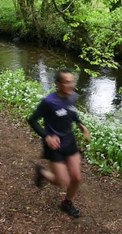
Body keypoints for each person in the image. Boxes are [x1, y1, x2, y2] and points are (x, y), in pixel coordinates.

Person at [28, 69, 90, 218]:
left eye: (72, 81)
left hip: (69, 141)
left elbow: (72, 113)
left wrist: (80, 124)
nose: (71, 85)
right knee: (62, 181)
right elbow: (32, 120)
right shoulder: (49, 102)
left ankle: (66, 203)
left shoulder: (73, 97)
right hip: (53, 145)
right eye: (67, 82)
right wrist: (46, 136)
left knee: (76, 178)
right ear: (58, 84)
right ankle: (42, 173)